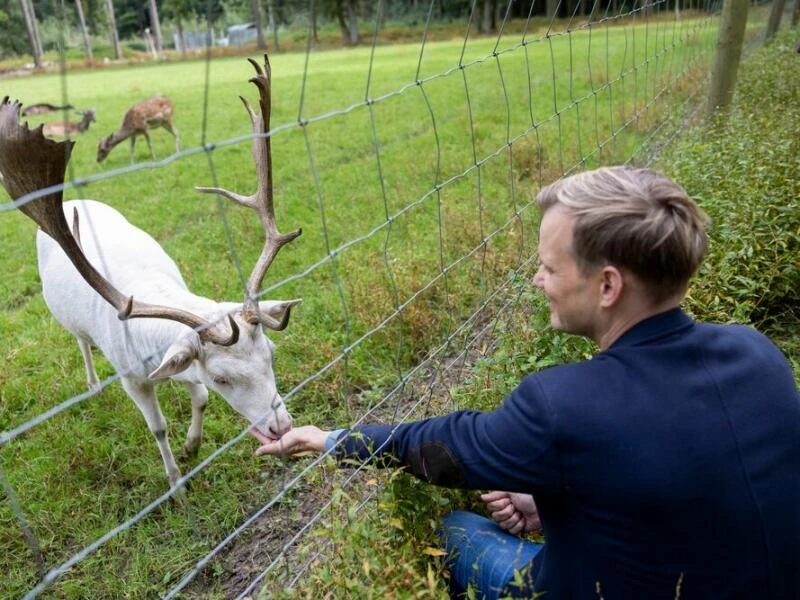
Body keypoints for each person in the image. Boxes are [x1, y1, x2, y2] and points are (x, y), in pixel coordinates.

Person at [253, 166, 800, 599]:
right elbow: (682, 469)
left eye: (549, 268)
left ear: (607, 285)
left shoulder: (562, 406)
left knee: (457, 532)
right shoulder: (758, 353)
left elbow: (441, 447)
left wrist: (328, 439)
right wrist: (556, 495)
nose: (538, 280)